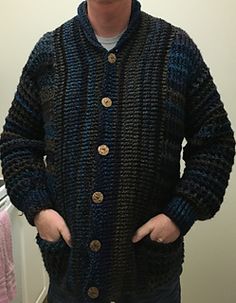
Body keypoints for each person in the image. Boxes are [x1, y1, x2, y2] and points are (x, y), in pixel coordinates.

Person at [0, 0, 235, 302]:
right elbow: (17, 140)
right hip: (71, 274)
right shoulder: (50, 53)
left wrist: (180, 213)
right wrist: (40, 210)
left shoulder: (176, 50)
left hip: (150, 277)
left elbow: (215, 141)